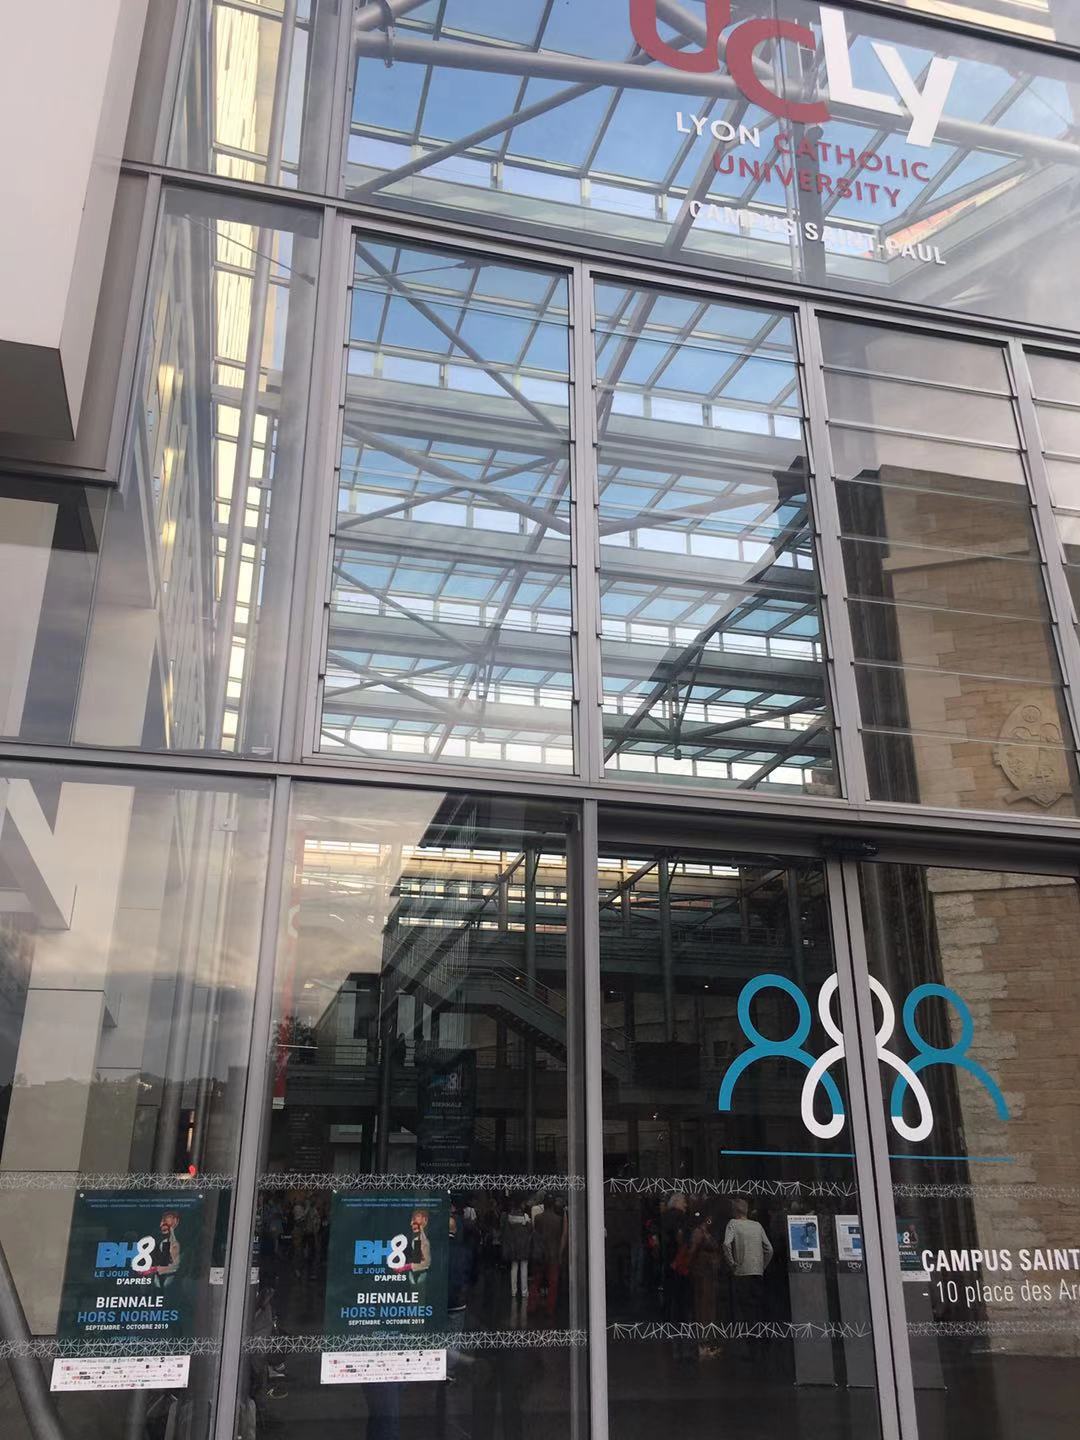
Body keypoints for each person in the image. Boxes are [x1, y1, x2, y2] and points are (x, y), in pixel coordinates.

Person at [724, 1197, 773, 1358]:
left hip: (742, 1272)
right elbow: (769, 1249)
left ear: (734, 1211)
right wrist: (762, 1265)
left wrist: (732, 1263)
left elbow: (726, 1244)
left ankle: (752, 1348)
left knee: (745, 1311)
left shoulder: (733, 1224)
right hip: (757, 1272)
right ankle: (764, 1345)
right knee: (758, 1308)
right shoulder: (757, 1225)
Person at [688, 1209, 722, 1359]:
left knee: (708, 1303)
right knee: (703, 1304)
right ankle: (703, 1336)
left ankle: (707, 1334)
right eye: (708, 1220)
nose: (710, 1222)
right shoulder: (699, 1232)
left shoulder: (706, 1232)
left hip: (707, 1273)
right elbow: (694, 1251)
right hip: (702, 1273)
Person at [527, 1195, 567, 1320]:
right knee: (553, 1284)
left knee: (535, 1282)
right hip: (553, 1254)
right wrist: (560, 1254)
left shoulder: (538, 1218)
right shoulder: (559, 1220)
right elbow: (561, 1237)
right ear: (553, 1205)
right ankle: (550, 1309)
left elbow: (536, 1235)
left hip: (540, 1254)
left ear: (543, 1205)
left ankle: (532, 1306)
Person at [500, 1199, 532, 1307]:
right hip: (524, 1246)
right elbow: (530, 1230)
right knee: (524, 1268)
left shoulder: (509, 1218)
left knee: (514, 1268)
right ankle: (524, 1292)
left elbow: (506, 1233)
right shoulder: (526, 1217)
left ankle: (513, 1291)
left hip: (513, 1246)